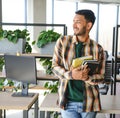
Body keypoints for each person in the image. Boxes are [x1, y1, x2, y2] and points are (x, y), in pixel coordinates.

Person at [52, 9, 105, 118]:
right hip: (68, 103)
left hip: (90, 103)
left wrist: (87, 78)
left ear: (88, 25)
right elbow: (54, 67)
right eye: (73, 21)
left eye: (78, 22)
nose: (74, 25)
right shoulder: (62, 42)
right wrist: (71, 75)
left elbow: (101, 77)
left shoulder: (98, 49)